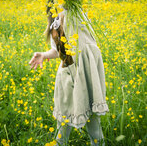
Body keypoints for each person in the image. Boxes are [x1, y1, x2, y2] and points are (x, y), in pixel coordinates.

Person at [29, 8, 109, 146]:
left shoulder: (75, 12)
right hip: (66, 73)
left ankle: (97, 143)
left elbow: (71, 9)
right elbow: (57, 50)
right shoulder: (55, 21)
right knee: (64, 116)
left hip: (85, 71)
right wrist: (44, 55)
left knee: (93, 122)